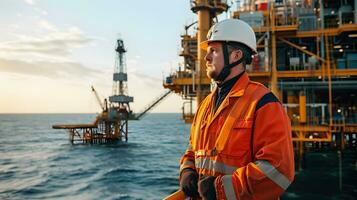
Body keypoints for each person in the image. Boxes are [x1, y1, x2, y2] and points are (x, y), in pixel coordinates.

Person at [179, 19, 295, 200]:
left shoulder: (263, 103)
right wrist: (187, 170)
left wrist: (220, 189)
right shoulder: (206, 104)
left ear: (236, 56)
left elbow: (277, 170)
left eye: (214, 51)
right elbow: (193, 148)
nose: (206, 57)